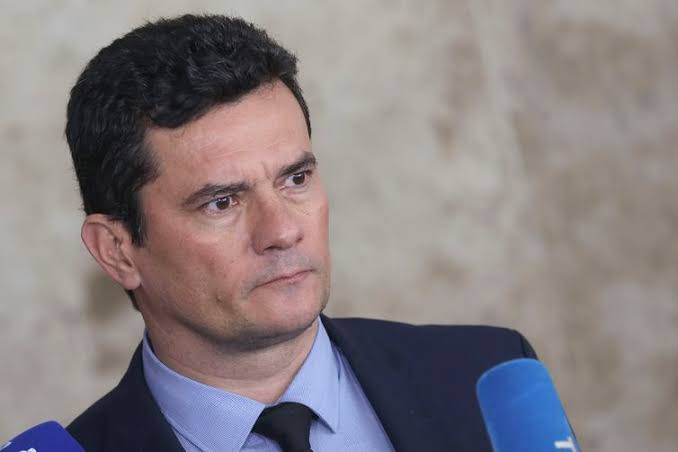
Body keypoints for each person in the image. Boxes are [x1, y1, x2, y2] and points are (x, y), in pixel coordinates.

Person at [65, 14, 536, 452]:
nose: (284, 230)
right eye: (221, 202)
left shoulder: (492, 377)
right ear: (117, 251)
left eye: (295, 179)